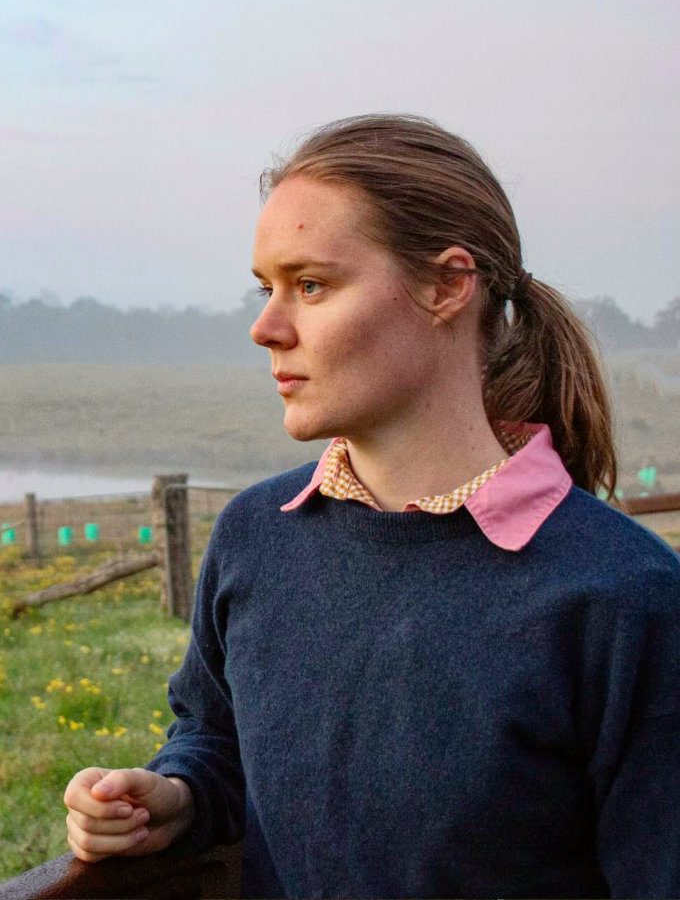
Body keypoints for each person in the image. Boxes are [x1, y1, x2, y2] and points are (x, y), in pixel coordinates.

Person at [62, 114, 680, 898]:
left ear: (447, 286)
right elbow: (216, 733)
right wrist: (176, 794)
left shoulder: (626, 599)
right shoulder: (254, 538)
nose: (265, 328)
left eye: (311, 285)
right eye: (266, 288)